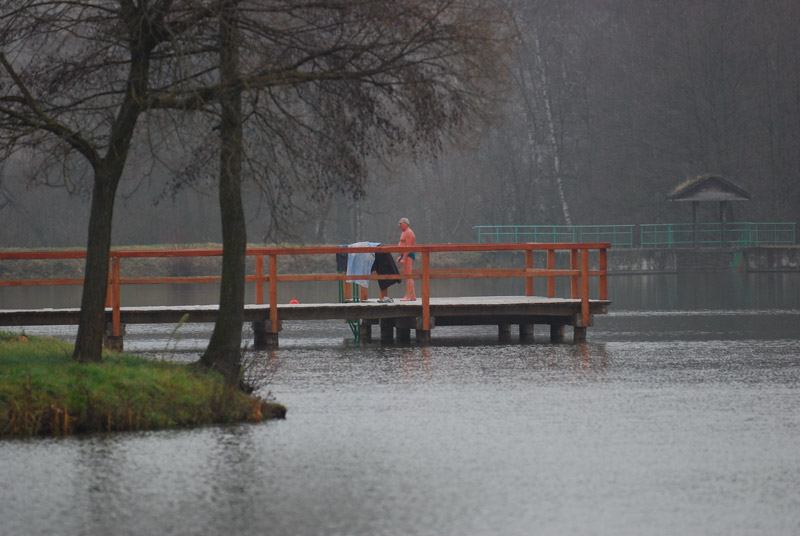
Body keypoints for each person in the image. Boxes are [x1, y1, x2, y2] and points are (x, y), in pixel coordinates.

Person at [396, 217, 417, 301]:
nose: (399, 225)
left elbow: (408, 247)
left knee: (408, 275)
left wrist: (404, 258)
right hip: (404, 255)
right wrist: (400, 256)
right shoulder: (403, 232)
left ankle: (407, 296)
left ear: (406, 224)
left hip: (408, 255)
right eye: (398, 223)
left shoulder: (409, 232)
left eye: (400, 224)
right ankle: (413, 295)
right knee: (407, 275)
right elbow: (403, 244)